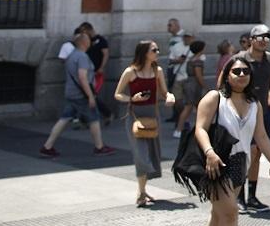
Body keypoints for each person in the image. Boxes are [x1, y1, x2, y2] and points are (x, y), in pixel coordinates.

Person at [193, 57, 270, 226]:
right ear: (227, 75)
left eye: (246, 71)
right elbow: (200, 129)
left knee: (219, 215)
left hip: (241, 164)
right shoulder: (215, 98)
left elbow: (261, 136)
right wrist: (209, 152)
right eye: (236, 71)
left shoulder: (254, 104)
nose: (242, 74)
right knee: (231, 214)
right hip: (216, 164)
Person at [113, 39, 175, 206]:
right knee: (141, 154)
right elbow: (117, 94)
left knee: (151, 152)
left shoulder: (158, 71)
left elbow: (164, 92)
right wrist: (132, 98)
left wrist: (170, 97)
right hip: (135, 117)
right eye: (154, 50)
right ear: (144, 53)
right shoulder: (130, 72)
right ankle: (141, 192)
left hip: (153, 116)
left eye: (157, 49)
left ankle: (142, 190)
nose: (157, 53)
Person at [39, 31, 115, 158]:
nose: (90, 42)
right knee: (94, 119)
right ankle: (99, 147)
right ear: (84, 43)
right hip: (81, 95)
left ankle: (47, 146)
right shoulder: (82, 57)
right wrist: (90, 95)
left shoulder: (72, 56)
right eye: (88, 40)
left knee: (64, 119)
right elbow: (82, 77)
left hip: (71, 93)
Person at [232, 24, 270, 211]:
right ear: (251, 39)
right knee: (244, 153)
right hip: (242, 113)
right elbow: (222, 83)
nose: (264, 41)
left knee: (257, 153)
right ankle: (238, 197)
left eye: (267, 38)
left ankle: (251, 196)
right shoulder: (239, 59)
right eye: (260, 37)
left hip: (263, 113)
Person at [175, 40, 207, 137]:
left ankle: (200, 128)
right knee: (189, 107)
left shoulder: (190, 59)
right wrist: (205, 86)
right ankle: (179, 130)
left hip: (189, 83)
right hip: (194, 85)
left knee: (197, 107)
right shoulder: (197, 61)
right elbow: (198, 75)